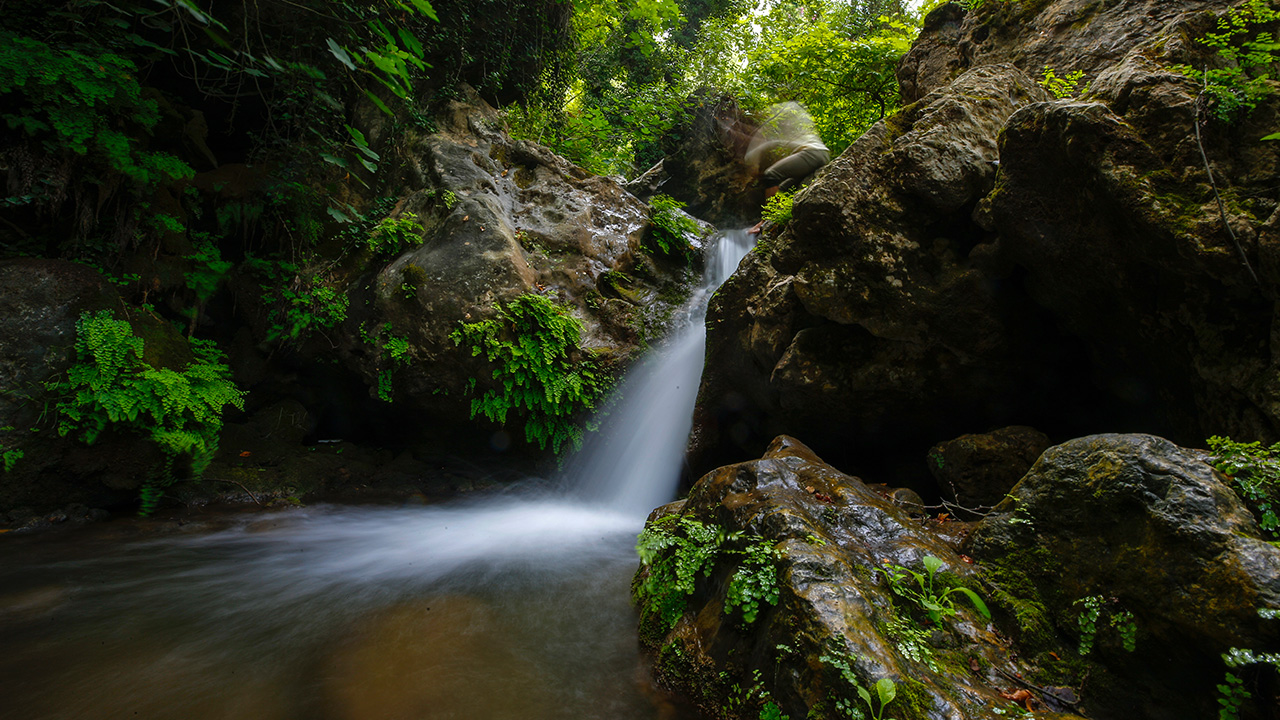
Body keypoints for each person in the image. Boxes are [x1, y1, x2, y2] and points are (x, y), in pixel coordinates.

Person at [743, 102, 829, 233]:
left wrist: (751, 156)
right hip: (821, 155)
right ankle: (768, 222)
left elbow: (773, 142)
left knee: (771, 174)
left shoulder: (794, 129)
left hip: (813, 153)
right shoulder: (801, 127)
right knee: (783, 188)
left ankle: (767, 220)